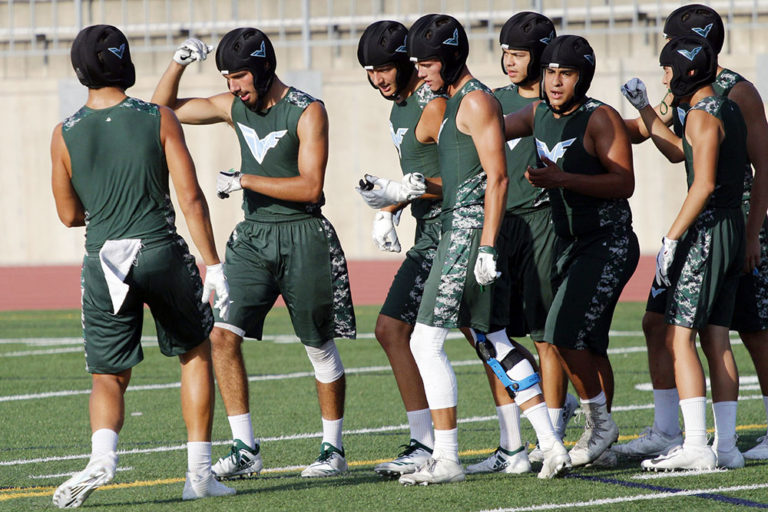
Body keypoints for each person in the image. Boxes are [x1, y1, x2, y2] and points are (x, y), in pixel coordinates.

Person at [152, 27, 356, 479]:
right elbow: (162, 111)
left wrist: (244, 179)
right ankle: (245, 449)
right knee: (221, 335)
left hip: (304, 233)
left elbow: (310, 185)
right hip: (254, 237)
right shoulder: (233, 106)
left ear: (264, 68)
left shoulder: (308, 111)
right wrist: (178, 63)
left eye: (240, 75)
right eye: (226, 77)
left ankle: (333, 449)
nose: (232, 87)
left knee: (318, 347)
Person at [50, 25, 235, 508]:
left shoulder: (63, 133)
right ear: (124, 63)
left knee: (108, 375)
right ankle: (198, 476)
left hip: (104, 260)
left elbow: (69, 215)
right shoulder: (157, 117)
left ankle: (102, 458)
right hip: (159, 250)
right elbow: (190, 197)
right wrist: (212, 263)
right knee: (194, 351)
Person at [400, 14, 571, 485]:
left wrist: (488, 246)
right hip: (464, 226)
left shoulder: (475, 101)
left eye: (429, 64)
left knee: (424, 341)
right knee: (493, 338)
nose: (422, 73)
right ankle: (551, 445)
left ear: (452, 58)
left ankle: (448, 458)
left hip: (469, 230)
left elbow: (496, 177)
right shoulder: (459, 99)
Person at [616, 3, 768, 466]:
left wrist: (752, 234)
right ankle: (680, 434)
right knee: (682, 327)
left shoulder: (733, 93)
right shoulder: (691, 90)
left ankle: (704, 445)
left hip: (727, 221)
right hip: (711, 220)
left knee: (753, 330)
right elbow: (666, 144)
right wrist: (598, 123)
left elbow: (762, 168)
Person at [503, 35, 640, 467]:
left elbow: (623, 184)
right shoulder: (539, 111)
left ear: (583, 77)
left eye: (566, 73)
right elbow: (493, 127)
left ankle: (600, 425)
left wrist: (563, 180)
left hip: (607, 240)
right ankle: (603, 437)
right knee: (590, 344)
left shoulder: (600, 118)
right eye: (550, 72)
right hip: (569, 242)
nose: (556, 81)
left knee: (562, 334)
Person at [466, 12, 581, 475]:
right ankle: (511, 443)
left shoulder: (560, 104)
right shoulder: (491, 101)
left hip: (543, 224)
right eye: (505, 52)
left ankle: (550, 432)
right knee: (487, 333)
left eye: (519, 53)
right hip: (501, 226)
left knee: (545, 334)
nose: (509, 61)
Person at [354, 20, 445, 478]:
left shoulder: (436, 103)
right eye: (371, 71)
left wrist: (398, 194)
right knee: (391, 330)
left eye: (385, 68)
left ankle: (526, 429)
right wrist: (390, 207)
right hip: (429, 233)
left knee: (485, 333)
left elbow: (468, 178)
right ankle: (423, 441)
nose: (379, 79)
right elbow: (420, 181)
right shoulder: (399, 107)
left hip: (459, 232)